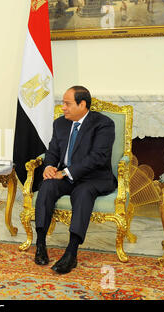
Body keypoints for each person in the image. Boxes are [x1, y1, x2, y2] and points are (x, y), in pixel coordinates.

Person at [34, 85, 116, 274]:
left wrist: (66, 172)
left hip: (94, 178)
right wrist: (49, 167)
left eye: (67, 103)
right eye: (63, 103)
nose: (63, 107)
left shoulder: (103, 124)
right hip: (65, 175)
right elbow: (52, 151)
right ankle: (40, 244)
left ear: (83, 104)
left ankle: (71, 252)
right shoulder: (60, 123)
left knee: (83, 192)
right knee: (46, 186)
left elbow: (98, 157)